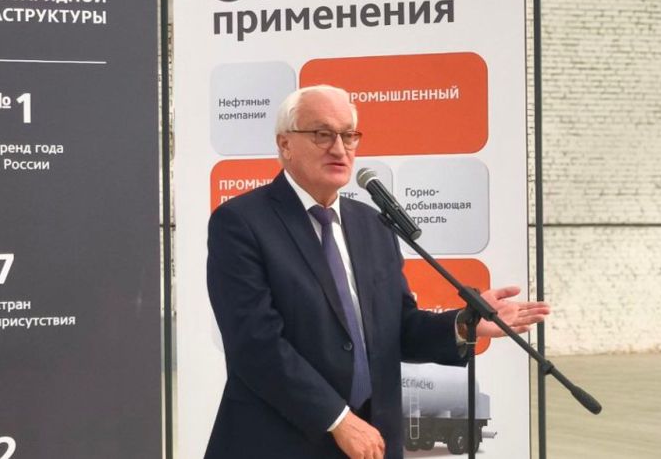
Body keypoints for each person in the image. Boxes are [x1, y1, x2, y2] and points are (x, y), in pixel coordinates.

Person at [205, 85, 549, 459]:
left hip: (374, 441)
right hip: (280, 442)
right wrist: (338, 420)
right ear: (285, 144)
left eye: (349, 135)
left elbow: (397, 328)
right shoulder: (241, 222)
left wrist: (466, 324)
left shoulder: (373, 224)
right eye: (322, 134)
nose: (339, 149)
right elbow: (255, 344)